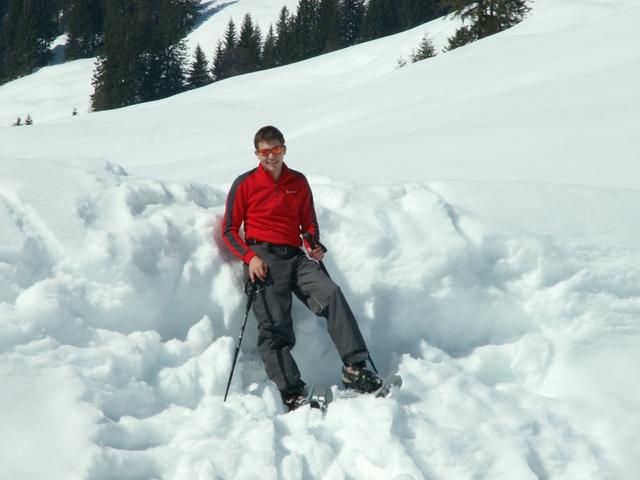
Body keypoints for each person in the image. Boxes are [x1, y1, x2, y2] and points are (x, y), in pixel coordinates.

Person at [221, 125, 382, 411]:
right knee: (275, 325)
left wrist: (313, 243)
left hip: (295, 256)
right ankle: (291, 390)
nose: (271, 157)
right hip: (262, 257)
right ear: (257, 154)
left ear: (284, 148)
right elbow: (230, 230)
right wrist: (249, 258)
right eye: (264, 152)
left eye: (276, 150)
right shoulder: (244, 183)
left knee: (330, 294)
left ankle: (355, 369)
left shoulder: (298, 181)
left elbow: (308, 222)